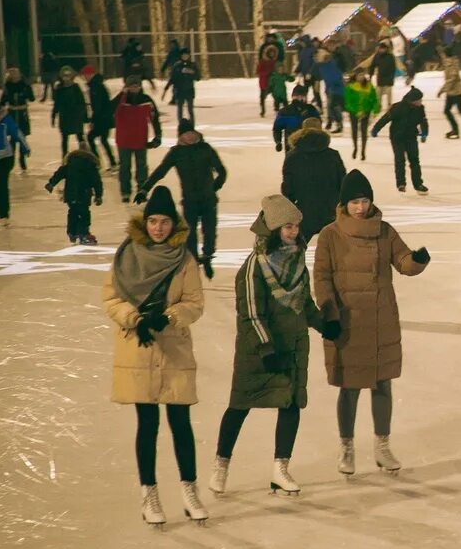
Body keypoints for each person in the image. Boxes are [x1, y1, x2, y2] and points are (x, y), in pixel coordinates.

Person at [210, 195, 338, 497]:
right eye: (287, 226)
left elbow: (304, 302)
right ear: (273, 228)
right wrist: (266, 347)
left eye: (296, 226)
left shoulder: (296, 261)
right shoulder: (255, 265)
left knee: (291, 404)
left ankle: (280, 468)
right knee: (240, 405)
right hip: (259, 349)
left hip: (293, 345)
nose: (293, 231)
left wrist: (323, 324)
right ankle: (221, 464)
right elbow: (251, 311)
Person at [101, 186, 207, 527]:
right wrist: (136, 319)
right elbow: (111, 298)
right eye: (153, 221)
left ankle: (190, 491)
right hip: (139, 347)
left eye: (164, 222)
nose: (158, 228)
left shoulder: (184, 259)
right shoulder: (126, 255)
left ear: (173, 224)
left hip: (173, 346)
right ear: (144, 223)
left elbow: (194, 302)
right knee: (147, 425)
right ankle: (150, 494)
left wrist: (169, 317)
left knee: (180, 422)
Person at [313, 170, 430, 475]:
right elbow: (322, 277)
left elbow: (402, 262)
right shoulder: (330, 235)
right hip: (348, 321)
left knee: (382, 384)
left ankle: (382, 446)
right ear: (344, 203)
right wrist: (329, 313)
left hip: (380, 319)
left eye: (365, 200)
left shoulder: (384, 231)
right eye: (354, 202)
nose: (361, 207)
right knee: (349, 387)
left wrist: (417, 260)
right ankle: (347, 447)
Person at [135, 118, 228, 278]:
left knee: (210, 230)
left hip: (208, 198)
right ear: (180, 136)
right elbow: (160, 171)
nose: (189, 137)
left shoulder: (205, 149)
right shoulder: (176, 153)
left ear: (195, 133)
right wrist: (144, 189)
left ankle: (207, 257)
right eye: (186, 134)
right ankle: (192, 261)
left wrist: (214, 186)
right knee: (189, 233)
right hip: (190, 200)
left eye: (191, 133)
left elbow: (222, 171)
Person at [282, 117, 346, 243]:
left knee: (298, 248)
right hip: (330, 209)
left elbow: (288, 186)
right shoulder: (333, 155)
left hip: (304, 208)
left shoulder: (293, 156)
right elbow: (343, 182)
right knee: (335, 247)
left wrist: (292, 202)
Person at [112, 75, 163, 203]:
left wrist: (158, 136)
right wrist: (122, 95)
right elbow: (111, 109)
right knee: (125, 167)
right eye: (131, 86)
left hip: (140, 139)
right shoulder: (121, 100)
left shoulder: (146, 100)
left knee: (142, 166)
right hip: (124, 140)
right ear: (127, 87)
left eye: (137, 85)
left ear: (140, 86)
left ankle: (142, 189)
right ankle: (125, 191)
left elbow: (154, 118)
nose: (134, 88)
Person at [372, 86, 430, 195]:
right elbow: (385, 118)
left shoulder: (420, 108)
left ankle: (418, 184)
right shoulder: (397, 107)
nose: (420, 102)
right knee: (400, 160)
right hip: (397, 137)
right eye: (419, 100)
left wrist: (424, 132)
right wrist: (376, 128)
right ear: (412, 100)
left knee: (414, 160)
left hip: (411, 137)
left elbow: (423, 121)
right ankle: (401, 184)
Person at [0, 94, 29, 227]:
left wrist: (25, 147)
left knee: (2, 185)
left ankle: (4, 214)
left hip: (4, 156)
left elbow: (16, 132)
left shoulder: (4, 118)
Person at [45, 142, 103, 244]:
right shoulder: (91, 165)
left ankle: (72, 232)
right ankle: (83, 233)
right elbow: (97, 182)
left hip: (70, 194)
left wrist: (51, 183)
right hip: (83, 194)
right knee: (84, 213)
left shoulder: (70, 163)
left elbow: (60, 173)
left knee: (73, 211)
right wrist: (98, 195)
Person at [0, 68, 34, 173]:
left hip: (22, 113)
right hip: (12, 114)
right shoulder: (7, 86)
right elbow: (3, 101)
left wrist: (27, 90)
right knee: (12, 139)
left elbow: (32, 98)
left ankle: (22, 159)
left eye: (16, 74)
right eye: (12, 75)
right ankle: (11, 161)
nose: (15, 77)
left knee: (22, 137)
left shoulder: (24, 85)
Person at [83, 65, 117, 171]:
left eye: (87, 75)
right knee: (102, 139)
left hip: (102, 119)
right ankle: (111, 162)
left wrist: (93, 120)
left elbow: (98, 106)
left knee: (93, 138)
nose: (85, 77)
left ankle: (98, 161)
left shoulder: (96, 87)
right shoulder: (96, 85)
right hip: (103, 118)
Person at [51, 66, 88, 157]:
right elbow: (57, 104)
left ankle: (85, 156)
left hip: (76, 116)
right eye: (64, 75)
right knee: (64, 138)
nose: (66, 78)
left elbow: (82, 102)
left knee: (80, 137)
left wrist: (85, 116)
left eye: (68, 75)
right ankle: (64, 157)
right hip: (65, 116)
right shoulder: (59, 89)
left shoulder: (75, 87)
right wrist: (53, 115)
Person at [273, 84, 321, 153]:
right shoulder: (285, 111)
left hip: (310, 146)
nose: (300, 98)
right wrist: (278, 141)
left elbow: (318, 125)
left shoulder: (311, 110)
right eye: (297, 96)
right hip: (291, 147)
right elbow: (277, 128)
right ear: (293, 97)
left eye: (302, 96)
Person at [344, 70, 380, 161]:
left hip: (366, 111)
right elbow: (348, 101)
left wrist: (375, 109)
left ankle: (363, 151)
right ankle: (355, 148)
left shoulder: (369, 86)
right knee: (354, 130)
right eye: (359, 75)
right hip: (354, 112)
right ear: (355, 76)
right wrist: (355, 111)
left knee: (364, 131)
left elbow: (374, 98)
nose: (361, 77)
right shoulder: (350, 87)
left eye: (363, 75)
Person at [163, 49, 200, 126]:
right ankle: (181, 125)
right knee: (180, 109)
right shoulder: (177, 65)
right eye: (183, 55)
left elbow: (198, 77)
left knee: (190, 109)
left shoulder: (192, 65)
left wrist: (191, 72)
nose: (185, 56)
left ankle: (192, 125)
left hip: (189, 90)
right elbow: (172, 78)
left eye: (186, 55)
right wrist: (166, 88)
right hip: (179, 90)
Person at [317, 47, 345, 132]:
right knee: (331, 107)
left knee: (334, 106)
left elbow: (335, 77)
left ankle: (338, 124)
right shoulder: (324, 66)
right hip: (331, 88)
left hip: (336, 89)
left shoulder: (331, 65)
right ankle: (334, 123)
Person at [256, 38, 280, 117]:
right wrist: (267, 73)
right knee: (262, 98)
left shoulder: (274, 62)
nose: (272, 54)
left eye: (273, 53)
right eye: (271, 53)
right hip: (264, 82)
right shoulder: (263, 61)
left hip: (273, 82)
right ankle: (262, 111)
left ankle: (277, 109)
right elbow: (258, 71)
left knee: (276, 96)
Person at [371, 42, 398, 110]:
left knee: (388, 93)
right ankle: (378, 105)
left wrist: (391, 77)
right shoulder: (377, 56)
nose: (381, 50)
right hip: (380, 78)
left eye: (382, 49)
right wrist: (370, 74)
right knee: (378, 93)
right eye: (380, 49)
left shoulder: (390, 56)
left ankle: (389, 105)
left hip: (388, 78)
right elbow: (372, 65)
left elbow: (393, 67)